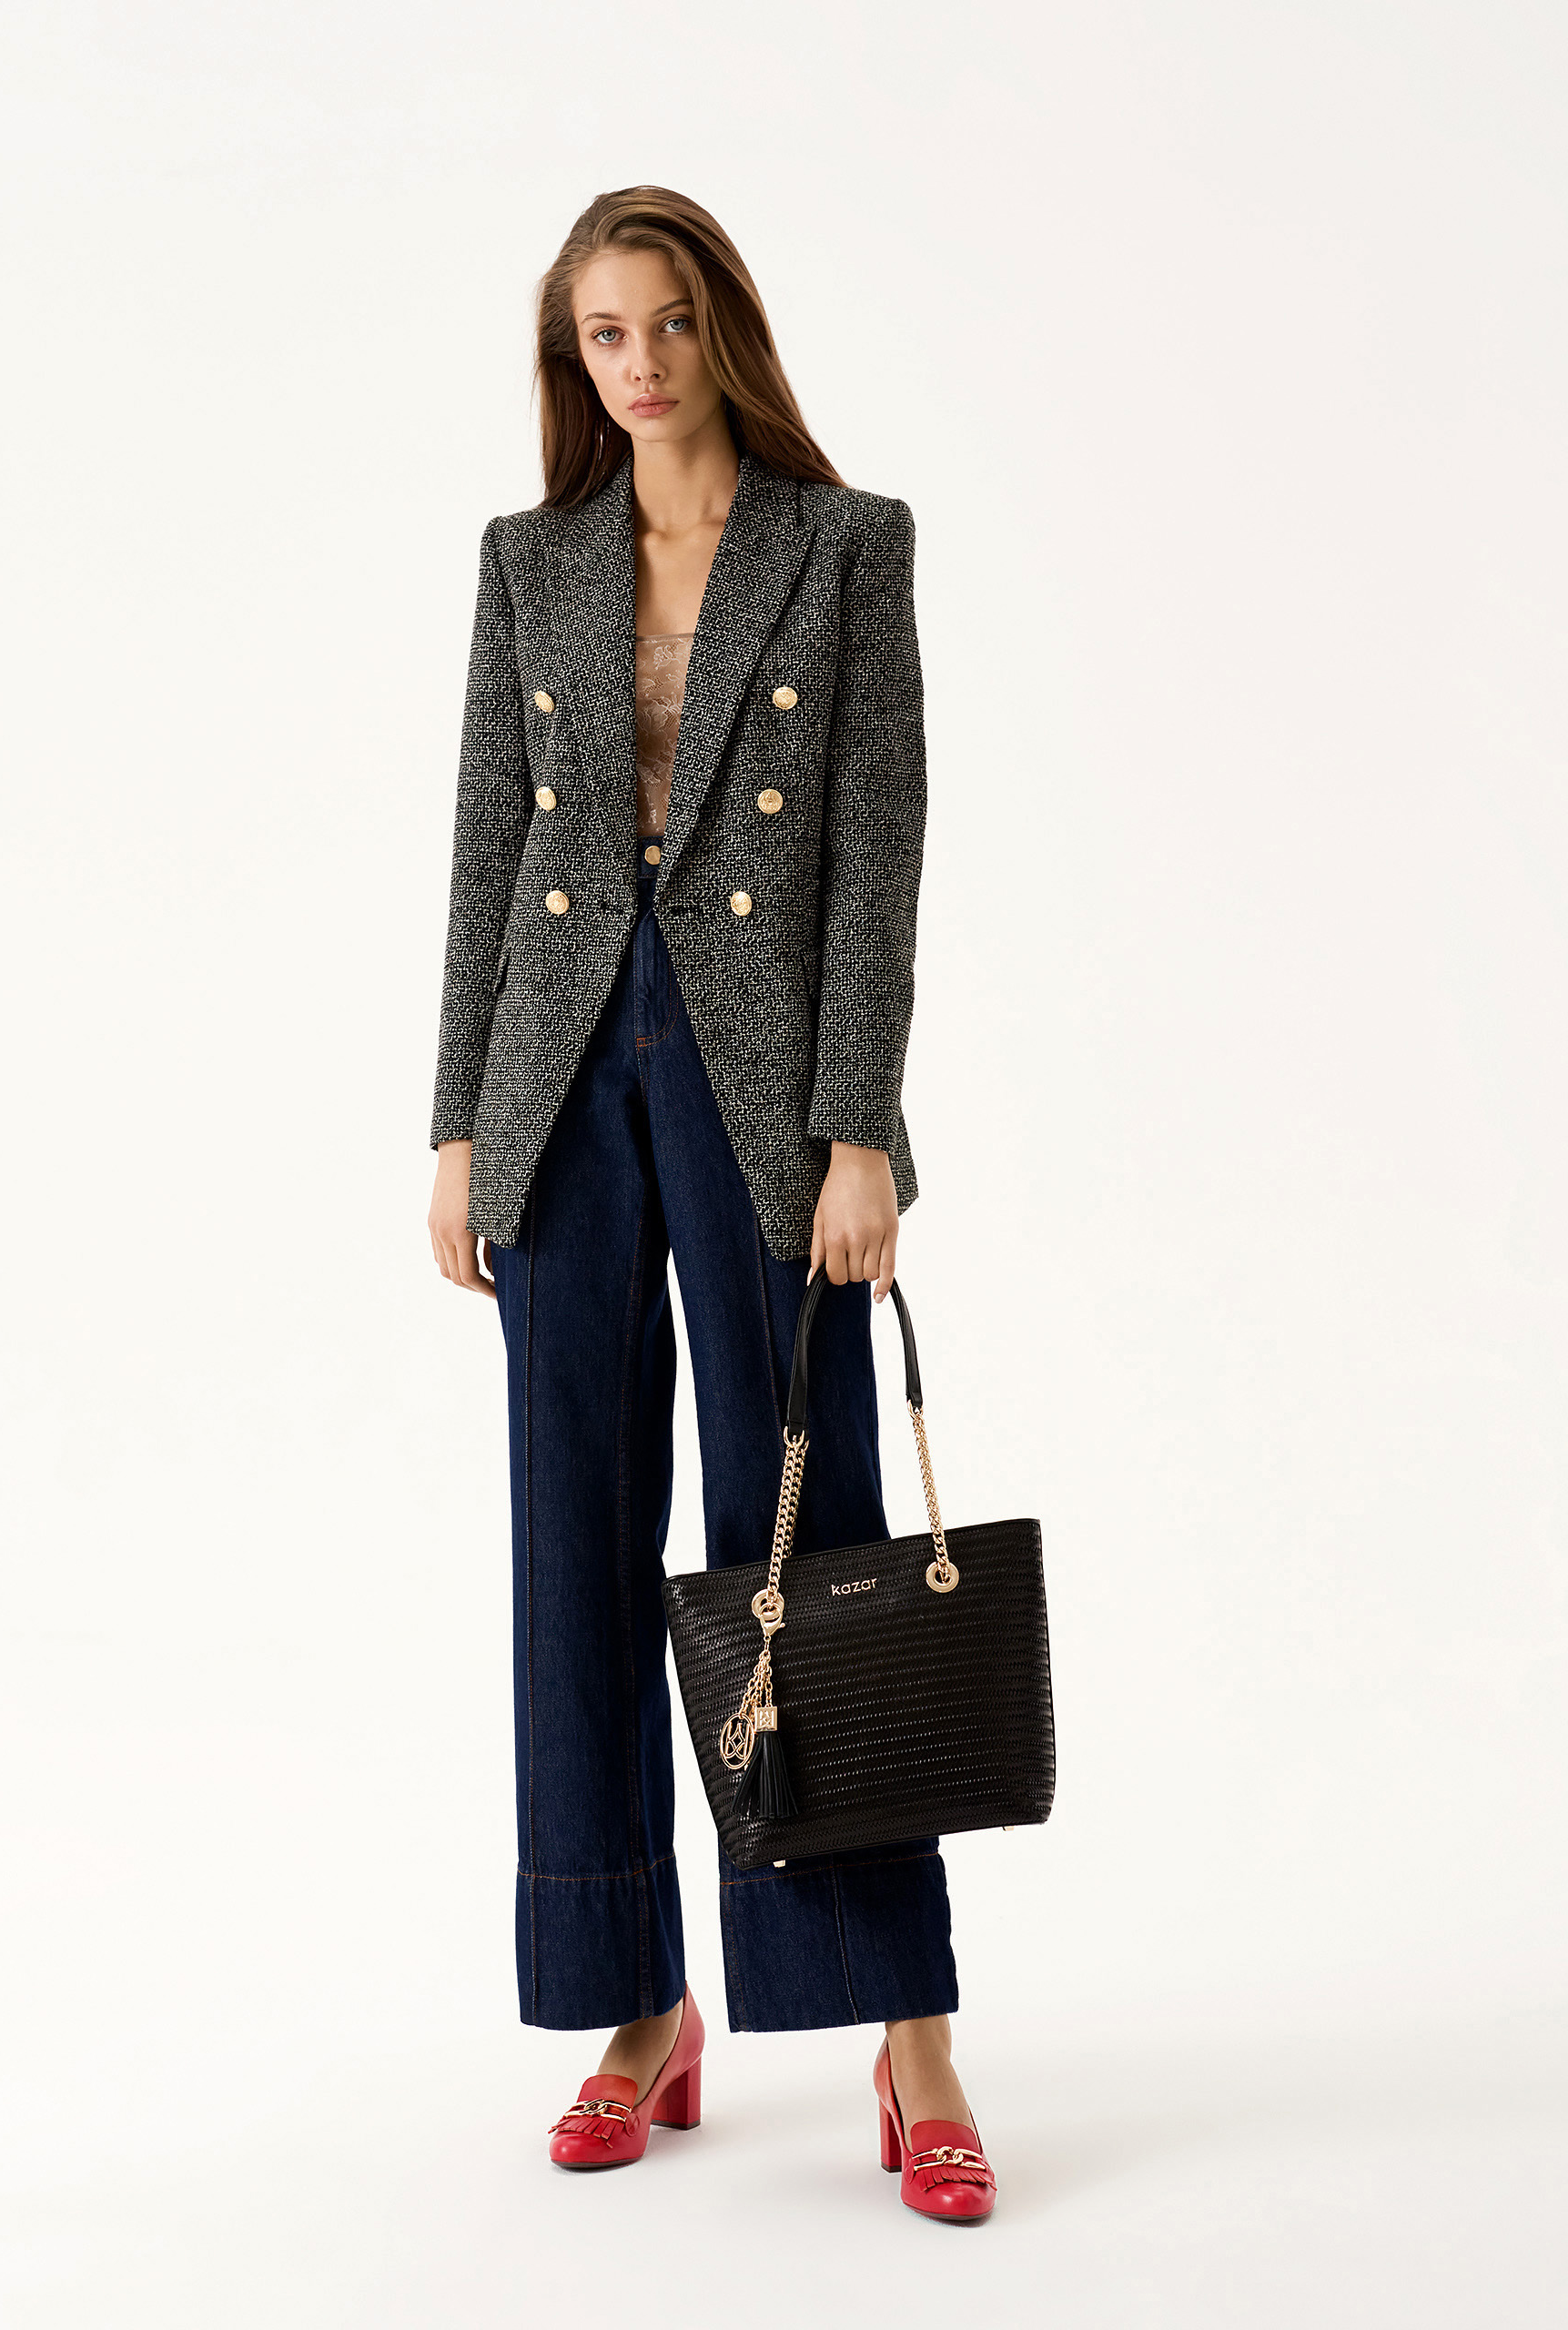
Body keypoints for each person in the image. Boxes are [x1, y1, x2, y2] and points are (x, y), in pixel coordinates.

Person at [427, 187, 993, 2224]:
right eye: (605, 333)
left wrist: (863, 1129)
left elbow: (876, 853)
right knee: (572, 1536)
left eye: (667, 322)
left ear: (721, 327)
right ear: (571, 358)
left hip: (763, 1094)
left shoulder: (846, 546)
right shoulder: (530, 563)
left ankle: (905, 2026)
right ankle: (630, 2002)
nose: (641, 364)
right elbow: (488, 849)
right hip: (562, 1076)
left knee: (803, 1539)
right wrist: (459, 1125)